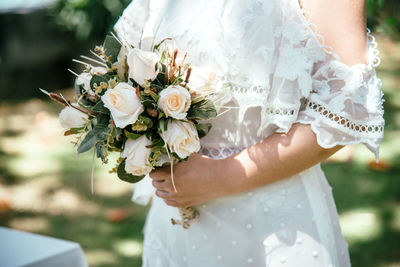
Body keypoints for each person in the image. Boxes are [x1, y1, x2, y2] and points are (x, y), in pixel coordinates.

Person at [114, 0, 385, 266]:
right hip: (174, 224)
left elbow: (347, 104)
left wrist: (224, 175)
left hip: (275, 228)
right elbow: (126, 66)